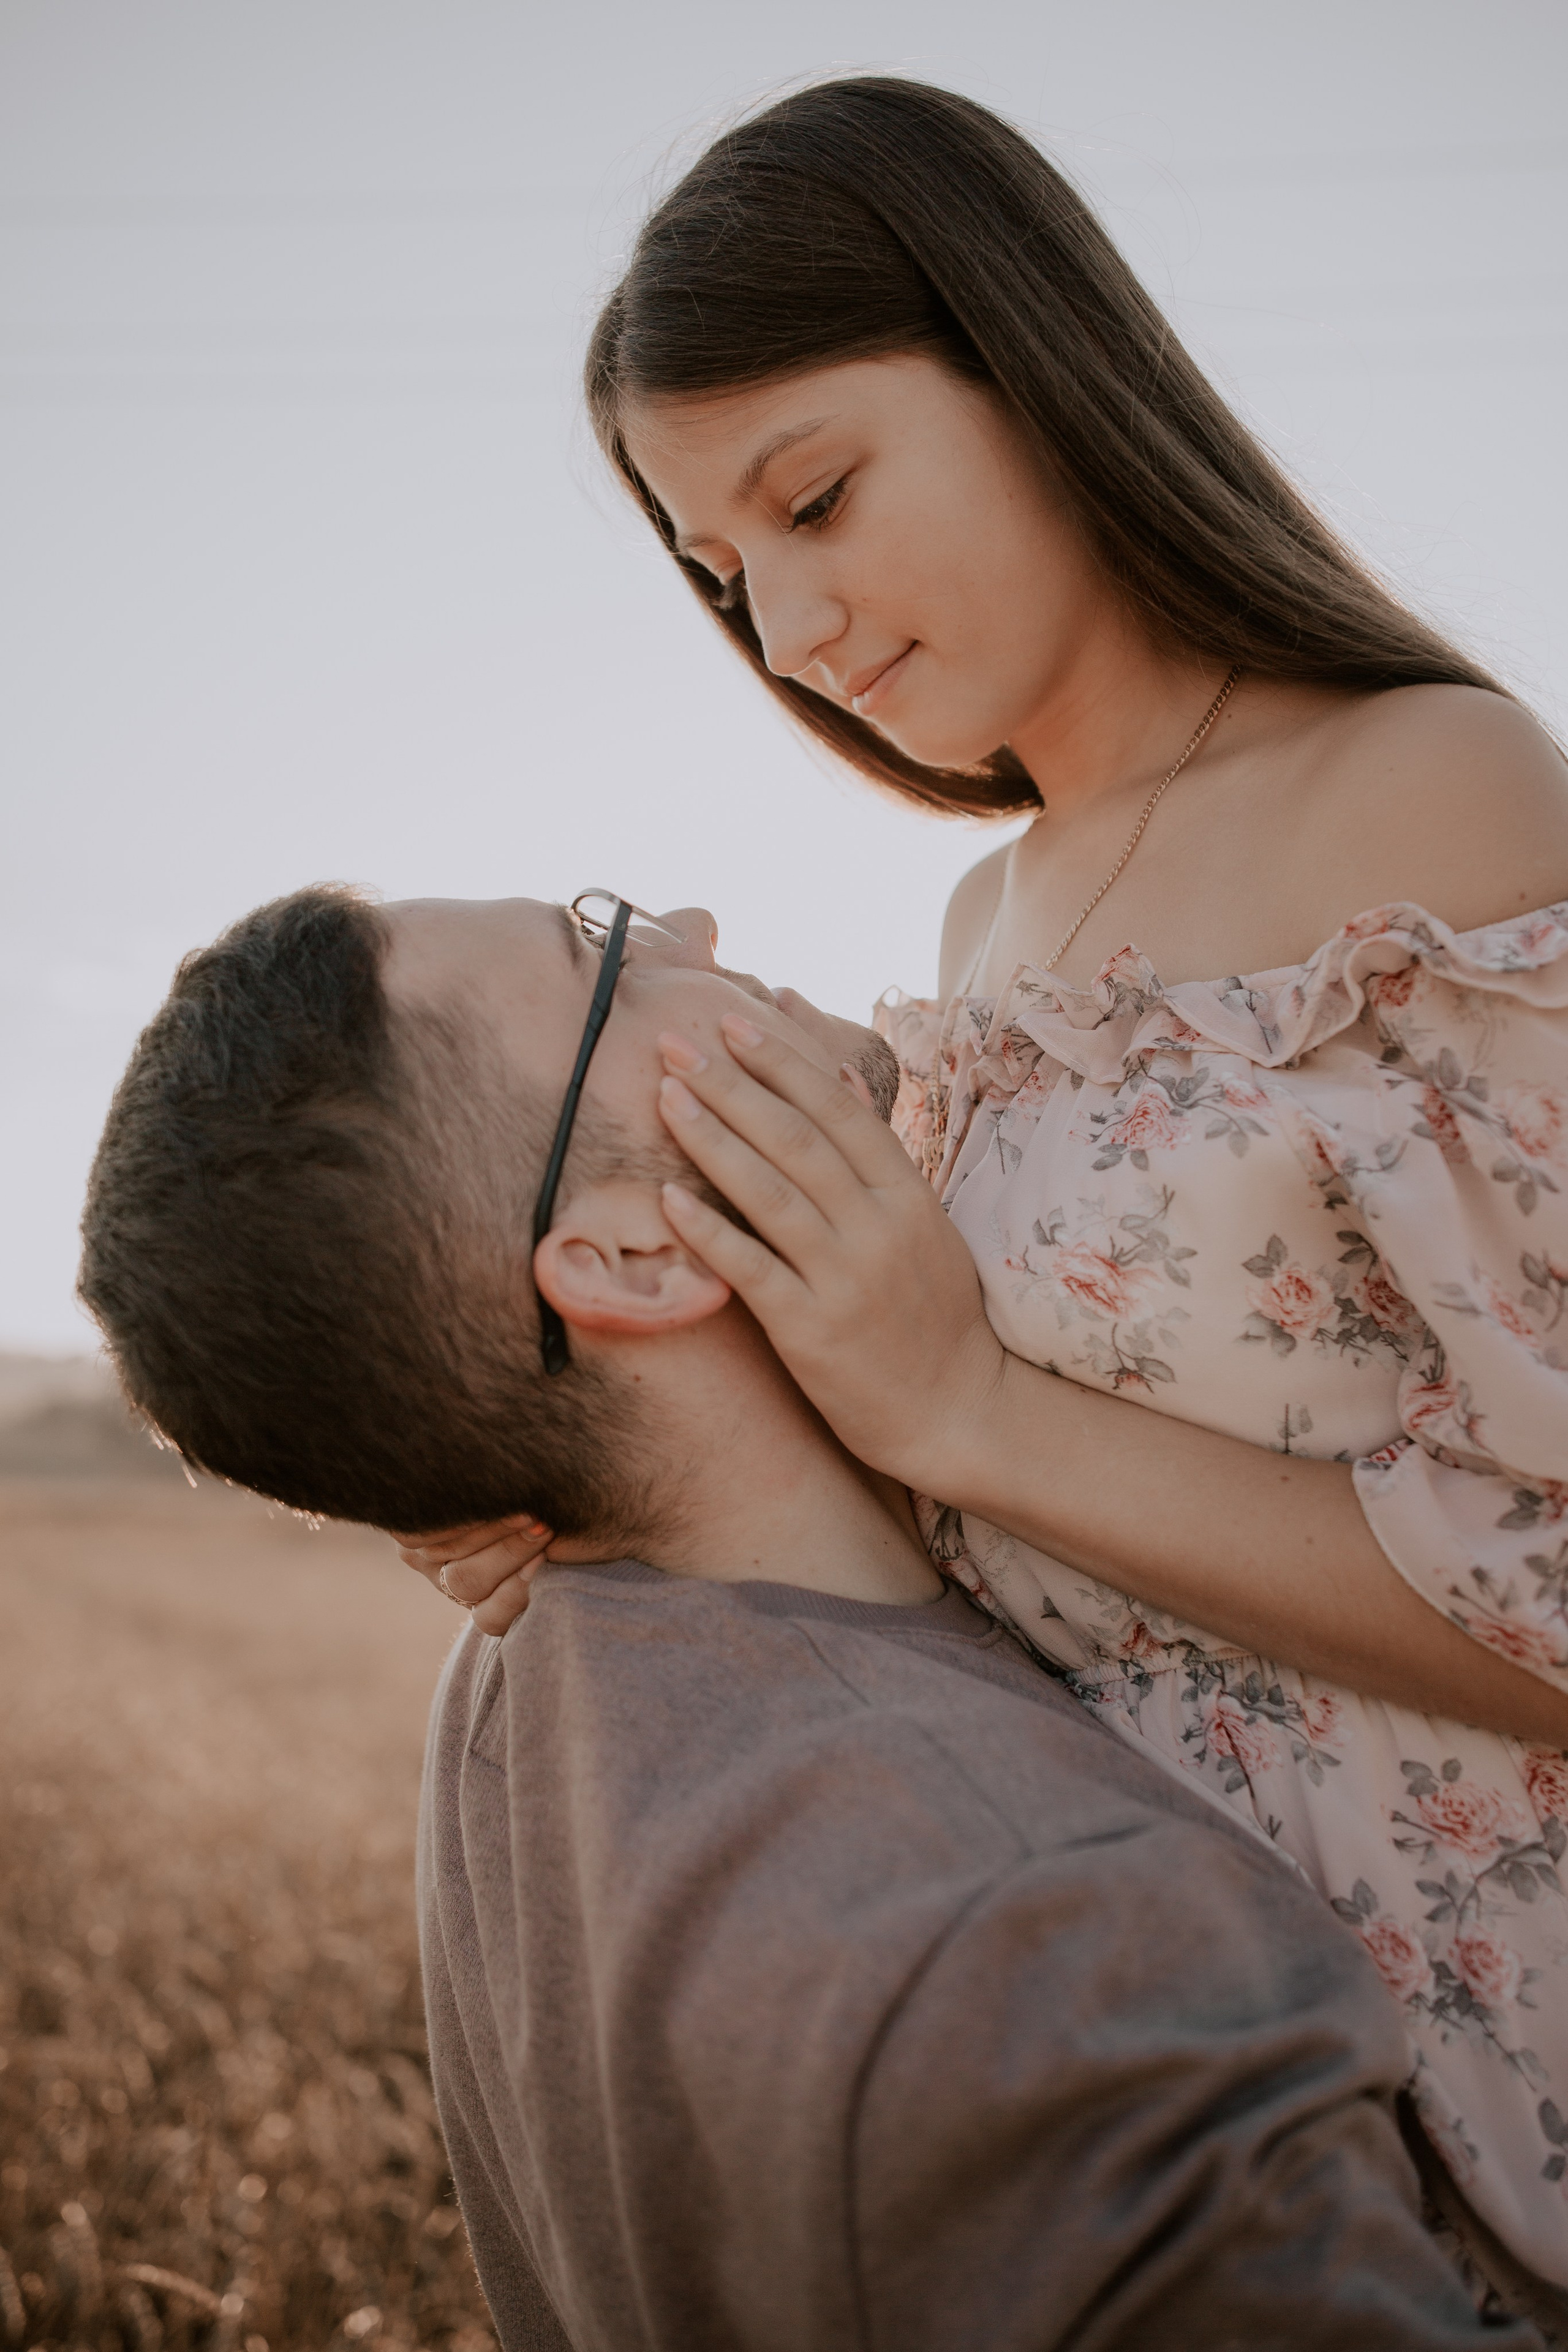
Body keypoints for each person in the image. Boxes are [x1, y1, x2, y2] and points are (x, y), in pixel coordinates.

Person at [405, 76, 1568, 2288]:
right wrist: (576, 1473)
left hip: (1487, 2080)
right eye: (723, 573)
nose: (789, 627)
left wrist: (975, 1416)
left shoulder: (1435, 794)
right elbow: (1003, 1512)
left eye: (818, 495)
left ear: (1031, 356)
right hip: (1141, 2059)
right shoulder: (980, 944)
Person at [77, 884, 1551, 2349]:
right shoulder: (1042, 1943)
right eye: (601, 958)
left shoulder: (510, 1692)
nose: (697, 931)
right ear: (634, 1260)